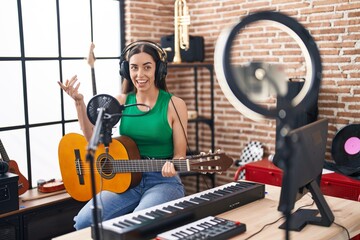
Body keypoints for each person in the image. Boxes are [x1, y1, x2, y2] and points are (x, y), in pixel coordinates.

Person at [57, 40, 188, 230]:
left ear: (159, 70)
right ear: (127, 71)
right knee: (83, 222)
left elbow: (180, 154)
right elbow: (92, 137)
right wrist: (79, 103)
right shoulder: (121, 101)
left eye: (147, 67)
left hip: (162, 180)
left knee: (136, 225)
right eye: (134, 68)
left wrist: (174, 165)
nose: (140, 74)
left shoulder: (175, 104)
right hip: (125, 178)